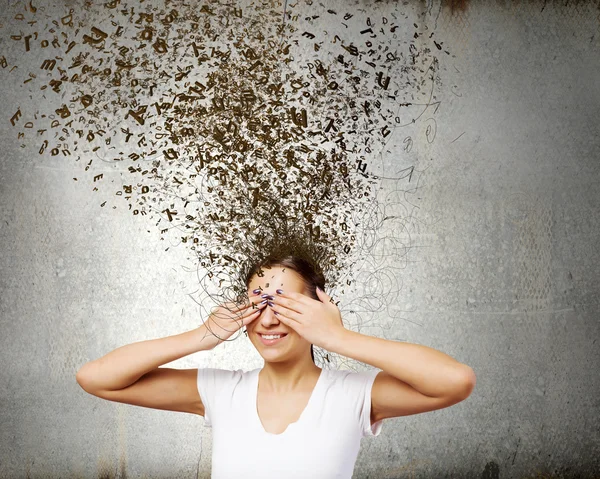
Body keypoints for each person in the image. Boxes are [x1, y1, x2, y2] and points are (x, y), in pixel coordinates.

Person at [76, 254, 476, 478]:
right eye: (258, 304)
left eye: (284, 305)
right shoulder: (222, 392)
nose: (268, 320)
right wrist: (202, 335)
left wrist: (339, 338)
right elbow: (95, 377)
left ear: (317, 310)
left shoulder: (353, 395)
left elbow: (455, 381)